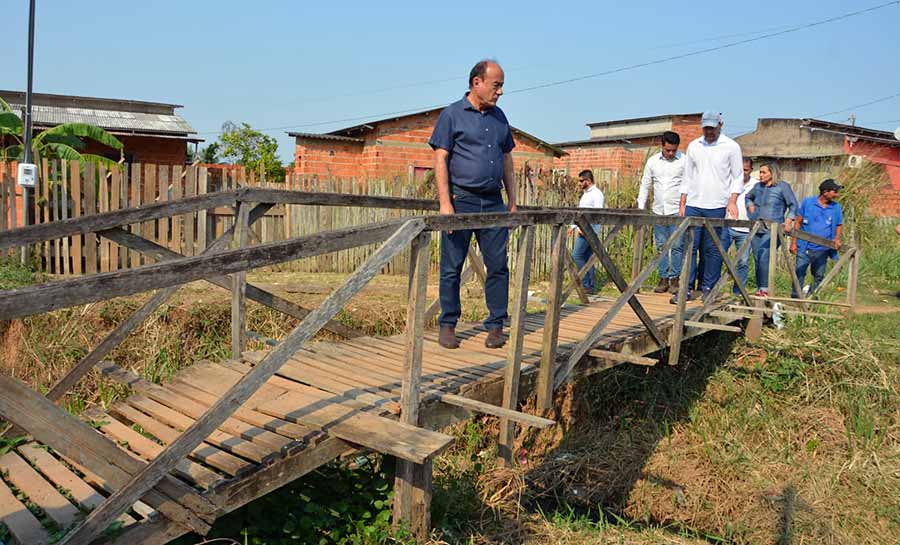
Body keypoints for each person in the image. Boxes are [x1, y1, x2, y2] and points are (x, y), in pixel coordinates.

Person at [429, 59, 517, 349]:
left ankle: (495, 326)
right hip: (461, 200)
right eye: (497, 85)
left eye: (502, 85)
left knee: (498, 266)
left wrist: (513, 202)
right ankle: (448, 323)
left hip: (493, 203)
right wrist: (445, 204)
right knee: (452, 267)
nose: (500, 91)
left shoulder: (499, 117)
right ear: (476, 82)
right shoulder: (452, 115)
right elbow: (440, 158)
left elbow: (506, 160)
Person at [673, 111, 743, 303]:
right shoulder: (694, 146)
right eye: (706, 128)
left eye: (713, 128)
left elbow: (737, 177)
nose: (709, 131)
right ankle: (685, 288)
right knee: (690, 247)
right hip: (694, 204)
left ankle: (708, 288)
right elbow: (687, 176)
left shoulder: (731, 147)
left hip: (717, 205)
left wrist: (732, 201)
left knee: (712, 250)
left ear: (721, 125)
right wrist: (682, 203)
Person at [638, 131, 686, 294]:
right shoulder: (652, 162)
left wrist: (685, 206)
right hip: (659, 210)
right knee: (661, 246)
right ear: (662, 146)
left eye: (673, 150)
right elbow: (645, 184)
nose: (671, 153)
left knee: (678, 246)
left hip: (677, 210)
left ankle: (675, 279)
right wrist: (640, 207)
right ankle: (663, 278)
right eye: (668, 150)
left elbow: (689, 185)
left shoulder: (684, 161)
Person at [744, 163, 798, 297]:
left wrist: (789, 219)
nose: (760, 175)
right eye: (760, 172)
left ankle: (765, 288)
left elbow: (793, 204)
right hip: (757, 227)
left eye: (763, 172)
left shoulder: (782, 187)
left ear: (772, 173)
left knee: (764, 256)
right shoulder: (757, 187)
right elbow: (748, 197)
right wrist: (750, 206)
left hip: (773, 230)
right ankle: (760, 288)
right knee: (757, 258)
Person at [790, 179, 843, 297]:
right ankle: (795, 297)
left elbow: (839, 224)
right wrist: (793, 242)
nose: (836, 194)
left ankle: (813, 297)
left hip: (823, 249)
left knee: (819, 275)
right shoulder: (808, 203)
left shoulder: (836, 207)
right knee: (799, 272)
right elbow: (798, 222)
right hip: (804, 246)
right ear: (825, 192)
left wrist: (837, 238)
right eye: (834, 191)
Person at [719, 157, 758, 295]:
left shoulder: (756, 185)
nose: (743, 173)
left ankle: (738, 293)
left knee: (743, 262)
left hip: (746, 229)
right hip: (727, 225)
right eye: (740, 170)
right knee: (718, 257)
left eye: (746, 170)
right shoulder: (728, 182)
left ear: (751, 170)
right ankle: (711, 289)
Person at [569, 170, 606, 294]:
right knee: (587, 257)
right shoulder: (586, 194)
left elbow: (597, 214)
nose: (579, 183)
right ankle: (590, 286)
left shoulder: (597, 194)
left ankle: (585, 283)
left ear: (588, 181)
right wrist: (573, 226)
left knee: (577, 255)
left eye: (581, 181)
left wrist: (587, 229)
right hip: (582, 229)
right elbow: (581, 212)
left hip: (588, 231)